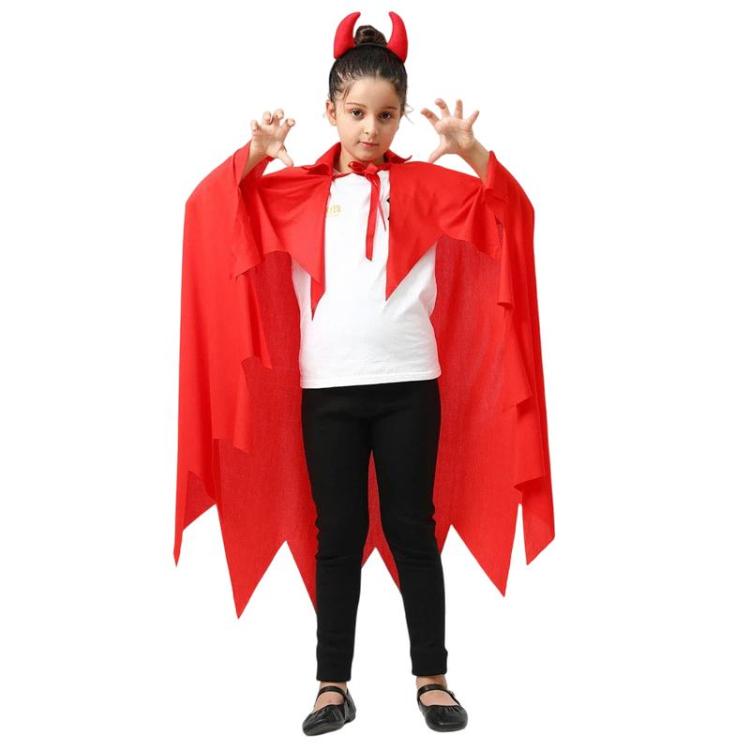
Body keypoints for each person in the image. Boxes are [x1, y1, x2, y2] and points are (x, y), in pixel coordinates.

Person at [174, 9, 555, 738]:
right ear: (331, 112)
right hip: (328, 391)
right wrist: (255, 154)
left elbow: (511, 216)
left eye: (385, 115)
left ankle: (432, 678)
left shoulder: (429, 188)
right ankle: (332, 684)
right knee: (337, 536)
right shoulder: (298, 190)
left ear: (402, 116)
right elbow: (213, 210)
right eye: (356, 113)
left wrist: (472, 153)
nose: (370, 129)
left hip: (411, 386)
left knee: (415, 530)